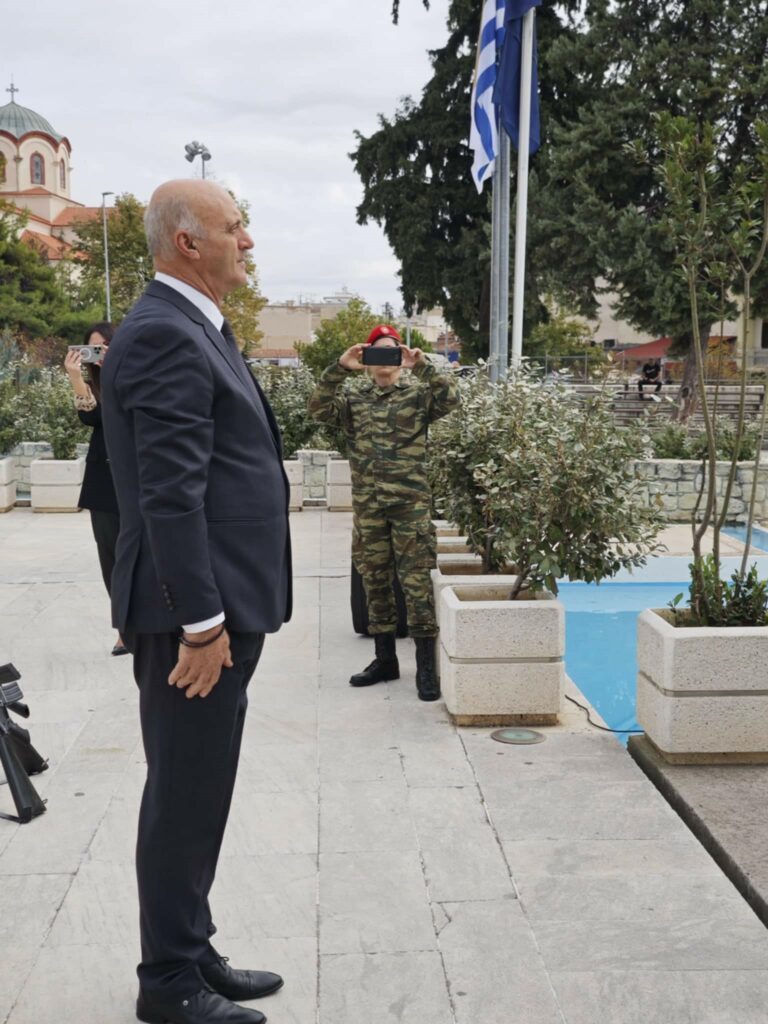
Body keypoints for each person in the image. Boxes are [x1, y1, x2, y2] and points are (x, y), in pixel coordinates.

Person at [101, 180, 292, 1024]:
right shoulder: (164, 334)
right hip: (194, 615)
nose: (246, 241)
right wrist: (202, 624)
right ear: (187, 242)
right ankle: (169, 981)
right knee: (183, 791)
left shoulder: (193, 325)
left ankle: (192, 946)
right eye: (233, 228)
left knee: (201, 786)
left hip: (218, 602)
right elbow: (169, 494)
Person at [308, 325, 459, 702]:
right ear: (366, 359)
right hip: (369, 508)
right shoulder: (354, 399)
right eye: (377, 352)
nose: (385, 359)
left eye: (392, 351)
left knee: (416, 584)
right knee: (375, 583)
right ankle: (385, 660)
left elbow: (451, 398)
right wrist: (340, 368)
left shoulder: (418, 396)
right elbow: (318, 409)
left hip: (410, 507)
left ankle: (425, 667)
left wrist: (421, 365)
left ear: (401, 357)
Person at [64, 322, 128, 656]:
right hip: (103, 484)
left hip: (137, 481)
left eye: (104, 345)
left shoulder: (134, 376)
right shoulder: (92, 386)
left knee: (146, 557)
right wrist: (76, 377)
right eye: (93, 347)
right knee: (112, 560)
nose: (99, 352)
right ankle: (125, 631)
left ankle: (158, 626)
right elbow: (92, 419)